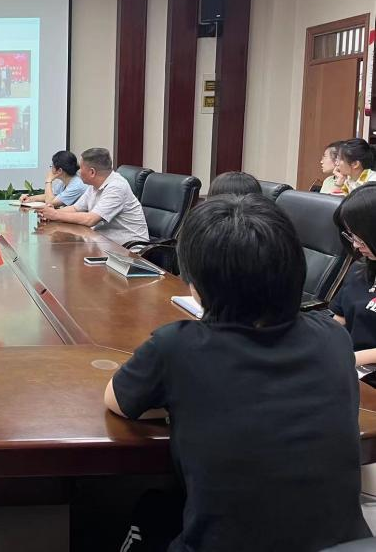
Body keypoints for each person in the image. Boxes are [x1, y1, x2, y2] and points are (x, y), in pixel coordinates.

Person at [104, 195, 370, 551]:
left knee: (147, 510)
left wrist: (182, 403)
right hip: (342, 544)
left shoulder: (176, 346)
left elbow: (117, 400)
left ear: (196, 288)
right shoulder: (333, 339)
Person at [36, 147, 149, 245]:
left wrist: (55, 215)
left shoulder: (117, 187)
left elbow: (91, 219)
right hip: (103, 242)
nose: (78, 171)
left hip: (129, 250)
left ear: (92, 172)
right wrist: (50, 213)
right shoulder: (94, 185)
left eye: (81, 168)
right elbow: (75, 208)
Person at [331, 184, 376, 364]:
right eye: (351, 236)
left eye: (360, 238)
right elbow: (340, 319)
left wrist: (348, 360)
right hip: (350, 364)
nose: (356, 245)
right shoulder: (360, 269)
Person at [19, 150, 88, 208]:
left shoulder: (76, 185)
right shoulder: (64, 182)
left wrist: (48, 181)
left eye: (52, 166)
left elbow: (50, 202)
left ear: (59, 171)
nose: (51, 169)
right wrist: (30, 198)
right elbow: (51, 196)